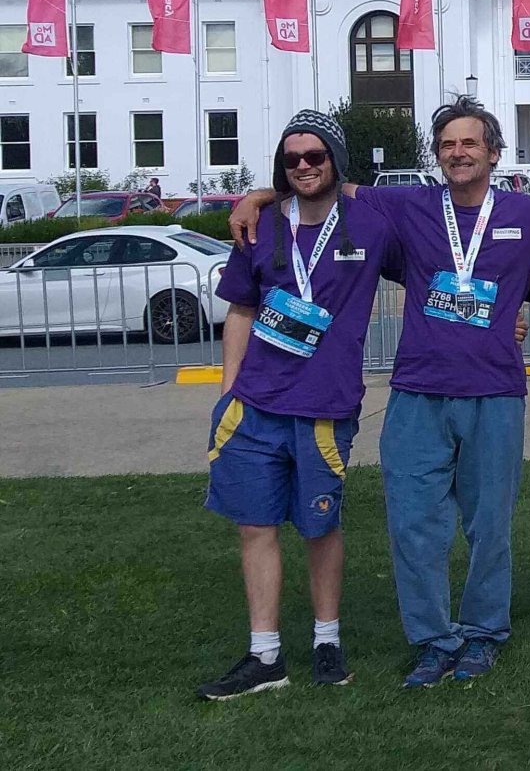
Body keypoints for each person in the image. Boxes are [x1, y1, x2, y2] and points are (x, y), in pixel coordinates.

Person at [229, 97, 530, 689]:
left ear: (494, 154)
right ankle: (432, 638)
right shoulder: (410, 206)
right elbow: (325, 185)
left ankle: (482, 633)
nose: (458, 153)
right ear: (437, 155)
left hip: (494, 394)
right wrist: (258, 196)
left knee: (488, 525)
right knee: (413, 524)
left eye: (470, 143)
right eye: (448, 144)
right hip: (418, 392)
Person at [197, 110, 398, 700]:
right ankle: (265, 656)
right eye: (292, 160)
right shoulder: (259, 227)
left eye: (316, 156)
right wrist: (229, 391)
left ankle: (326, 640)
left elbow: (440, 245)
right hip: (254, 409)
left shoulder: (370, 223)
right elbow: (240, 309)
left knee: (320, 523)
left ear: (335, 159)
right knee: (255, 526)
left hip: (323, 409)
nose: (305, 166)